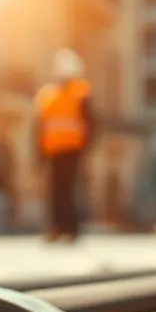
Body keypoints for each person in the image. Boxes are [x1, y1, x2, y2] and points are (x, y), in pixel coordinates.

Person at [33, 49, 96, 243]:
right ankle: (57, 228)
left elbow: (90, 122)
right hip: (53, 150)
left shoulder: (80, 92)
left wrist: (86, 148)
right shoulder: (48, 95)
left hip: (72, 150)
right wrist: (38, 154)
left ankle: (71, 228)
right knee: (55, 191)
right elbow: (40, 125)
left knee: (68, 190)